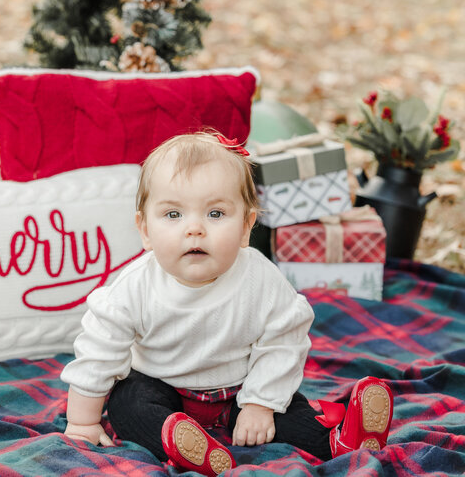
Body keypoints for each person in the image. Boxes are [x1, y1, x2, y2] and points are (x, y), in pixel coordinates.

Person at [60, 131, 393, 475]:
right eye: (173, 215)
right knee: (128, 403)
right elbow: (99, 354)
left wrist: (260, 404)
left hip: (241, 390)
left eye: (216, 214)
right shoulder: (133, 289)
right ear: (144, 230)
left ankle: (343, 441)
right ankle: (186, 446)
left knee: (289, 413)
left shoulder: (261, 280)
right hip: (161, 387)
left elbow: (283, 342)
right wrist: (83, 423)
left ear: (246, 227)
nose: (195, 229)